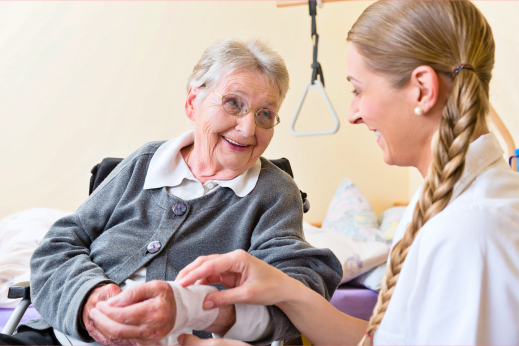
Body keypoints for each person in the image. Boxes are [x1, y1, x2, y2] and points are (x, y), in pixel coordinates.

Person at [175, 1, 519, 345]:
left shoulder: (473, 229)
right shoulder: (444, 203)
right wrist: (286, 291)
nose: (353, 114)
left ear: (423, 90)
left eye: (358, 89)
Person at [0, 38, 342, 346]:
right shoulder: (146, 162)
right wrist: (90, 299)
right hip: (63, 337)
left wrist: (192, 311)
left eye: (266, 114)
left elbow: (300, 287)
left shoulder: (274, 192)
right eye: (233, 103)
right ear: (194, 102)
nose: (248, 128)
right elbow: (59, 245)